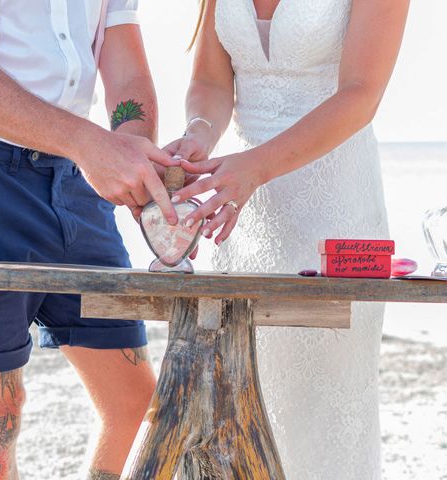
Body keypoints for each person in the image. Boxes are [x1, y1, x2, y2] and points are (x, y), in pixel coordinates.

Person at [0, 0, 176, 478]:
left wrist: (130, 155)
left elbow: (127, 76)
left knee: (133, 402)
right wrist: (89, 144)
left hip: (79, 180)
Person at [166, 0, 409, 478]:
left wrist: (256, 167)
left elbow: (361, 94)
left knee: (327, 401)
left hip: (334, 206)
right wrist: (198, 134)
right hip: (241, 209)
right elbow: (213, 84)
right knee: (236, 395)